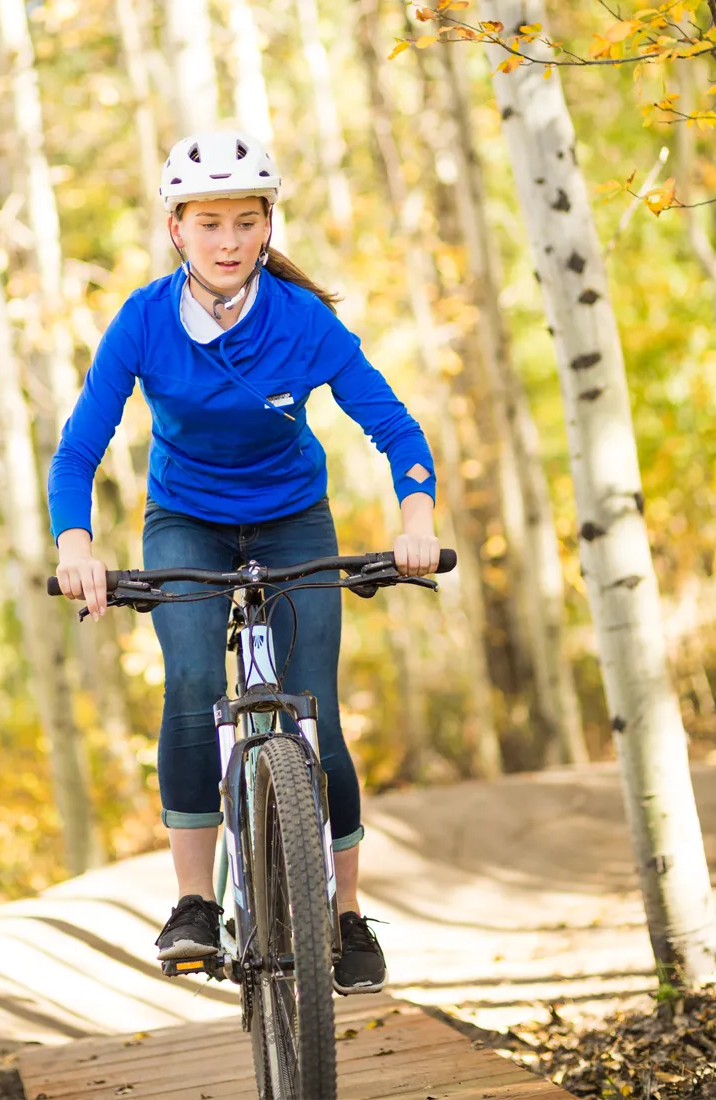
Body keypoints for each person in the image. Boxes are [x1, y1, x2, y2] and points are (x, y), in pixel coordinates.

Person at [48, 130, 439, 995]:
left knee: (317, 716)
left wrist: (416, 516)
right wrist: (76, 542)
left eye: (245, 222)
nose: (227, 241)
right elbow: (78, 450)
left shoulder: (304, 321)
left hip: (293, 520)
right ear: (176, 229)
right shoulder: (144, 321)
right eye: (209, 222)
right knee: (190, 685)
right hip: (184, 520)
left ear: (268, 227)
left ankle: (344, 914)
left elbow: (397, 430)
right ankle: (194, 902)